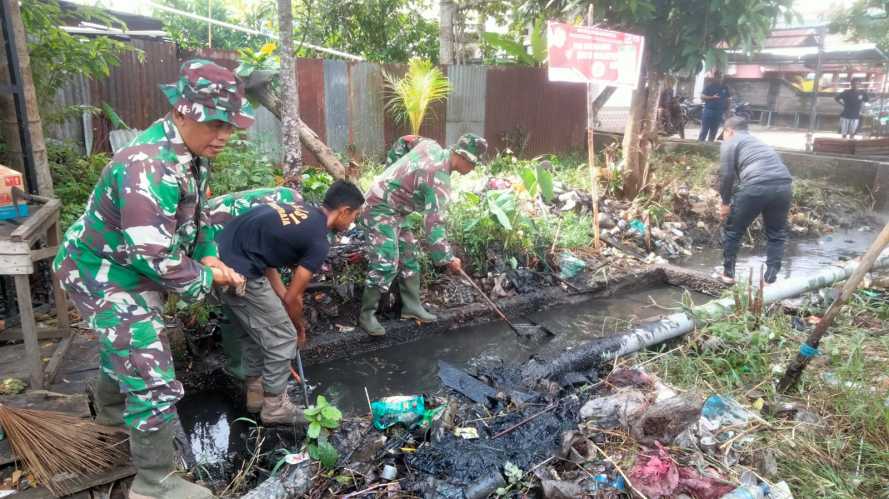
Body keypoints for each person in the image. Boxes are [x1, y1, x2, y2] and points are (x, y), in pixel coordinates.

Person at [53, 59, 253, 499]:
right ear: (181, 111)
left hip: (129, 264)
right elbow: (156, 258)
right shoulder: (148, 165)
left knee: (124, 344)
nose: (223, 135)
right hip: (103, 272)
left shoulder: (192, 153)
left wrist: (209, 256)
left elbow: (198, 218)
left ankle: (109, 413)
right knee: (152, 374)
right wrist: (208, 279)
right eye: (214, 123)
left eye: (230, 125)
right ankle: (154, 483)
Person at [216, 181, 364, 423]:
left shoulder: (302, 212)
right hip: (240, 271)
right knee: (282, 337)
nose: (352, 223)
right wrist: (298, 327)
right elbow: (293, 297)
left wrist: (283, 301)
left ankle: (256, 395)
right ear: (345, 210)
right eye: (355, 215)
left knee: (256, 330)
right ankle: (275, 408)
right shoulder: (319, 241)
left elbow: (268, 261)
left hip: (221, 257)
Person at [359, 133, 488, 337]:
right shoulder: (439, 181)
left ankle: (411, 307)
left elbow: (405, 140)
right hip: (378, 207)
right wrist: (447, 258)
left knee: (409, 254)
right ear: (464, 158)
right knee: (386, 261)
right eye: (473, 165)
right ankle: (367, 315)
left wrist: (391, 169)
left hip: (396, 210)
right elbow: (434, 224)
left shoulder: (431, 145)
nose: (472, 170)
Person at [718, 117, 793, 285]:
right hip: (784, 186)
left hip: (755, 186)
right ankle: (770, 279)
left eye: (723, 134)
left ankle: (728, 275)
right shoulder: (758, 143)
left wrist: (725, 203)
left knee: (733, 231)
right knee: (776, 234)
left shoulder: (729, 141)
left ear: (728, 131)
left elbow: (727, 175)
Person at [699, 70, 730, 142]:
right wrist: (712, 97)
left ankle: (710, 146)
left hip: (719, 112)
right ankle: (700, 145)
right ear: (715, 77)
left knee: (714, 131)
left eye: (721, 77)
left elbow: (728, 100)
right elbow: (702, 96)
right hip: (708, 111)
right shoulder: (709, 86)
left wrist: (727, 112)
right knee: (704, 130)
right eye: (718, 77)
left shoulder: (725, 88)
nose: (719, 78)